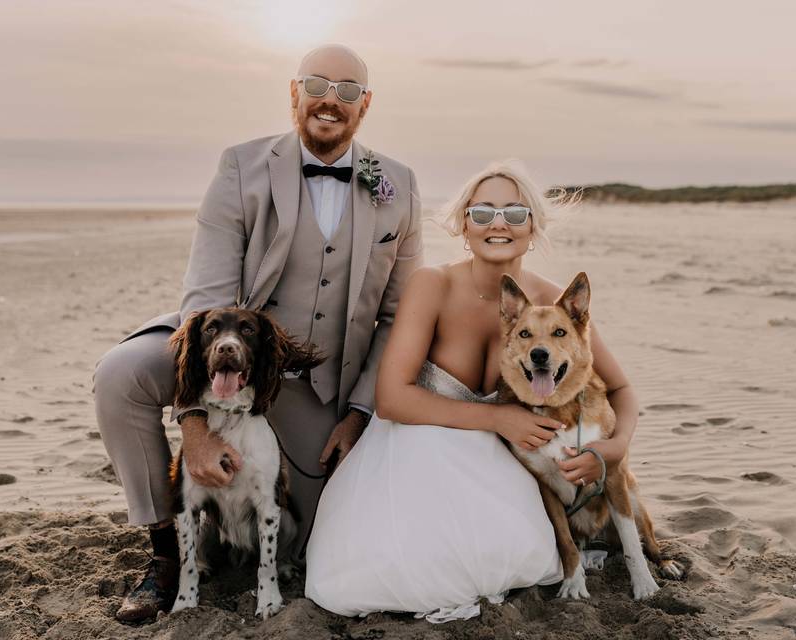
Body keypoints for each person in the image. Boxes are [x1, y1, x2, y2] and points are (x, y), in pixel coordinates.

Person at [92, 44, 423, 624]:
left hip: (319, 387)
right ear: (293, 92)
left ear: (365, 105)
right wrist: (193, 422)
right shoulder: (241, 166)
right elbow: (204, 297)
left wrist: (360, 415)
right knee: (120, 375)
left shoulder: (397, 184)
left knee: (312, 542)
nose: (330, 100)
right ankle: (166, 553)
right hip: (222, 352)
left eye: (348, 91)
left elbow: (398, 318)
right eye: (317, 84)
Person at [305, 160, 640, 622]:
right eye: (482, 213)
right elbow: (393, 398)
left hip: (502, 456)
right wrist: (500, 417)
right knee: (400, 565)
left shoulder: (550, 303)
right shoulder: (432, 284)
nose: (498, 223)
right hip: (418, 442)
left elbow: (621, 389)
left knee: (527, 555)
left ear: (533, 227)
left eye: (514, 214)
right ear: (464, 224)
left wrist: (613, 448)